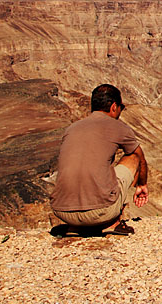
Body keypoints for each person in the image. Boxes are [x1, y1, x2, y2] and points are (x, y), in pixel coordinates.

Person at [50, 84, 149, 235]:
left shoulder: (71, 129)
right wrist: (142, 185)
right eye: (121, 108)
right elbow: (140, 158)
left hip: (62, 212)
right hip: (101, 212)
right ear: (114, 107)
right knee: (132, 157)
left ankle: (75, 227)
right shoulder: (118, 127)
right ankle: (113, 223)